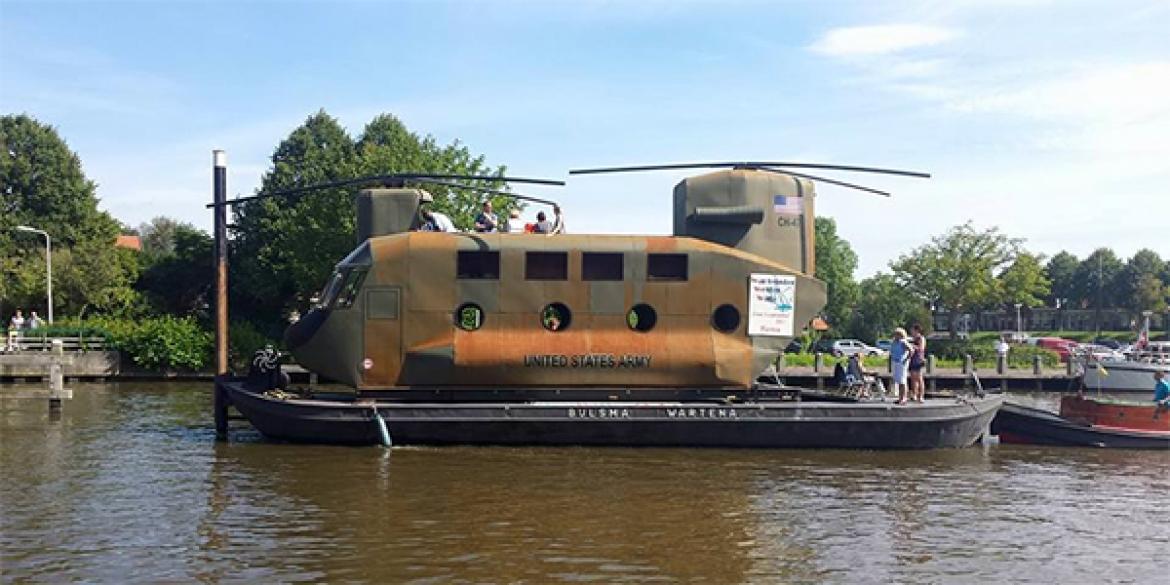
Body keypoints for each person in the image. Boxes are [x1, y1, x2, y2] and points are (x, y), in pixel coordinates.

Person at [890, 327, 913, 405]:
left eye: (897, 334)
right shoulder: (894, 342)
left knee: (902, 381)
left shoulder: (903, 342)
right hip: (895, 362)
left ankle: (904, 398)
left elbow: (911, 350)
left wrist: (906, 359)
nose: (895, 336)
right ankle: (900, 398)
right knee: (898, 381)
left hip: (901, 363)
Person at [908, 323, 927, 402]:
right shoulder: (913, 339)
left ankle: (921, 396)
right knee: (913, 378)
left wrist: (912, 346)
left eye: (912, 330)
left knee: (919, 378)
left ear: (916, 330)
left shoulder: (921, 338)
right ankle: (914, 394)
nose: (911, 331)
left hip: (918, 359)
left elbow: (921, 348)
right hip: (912, 359)